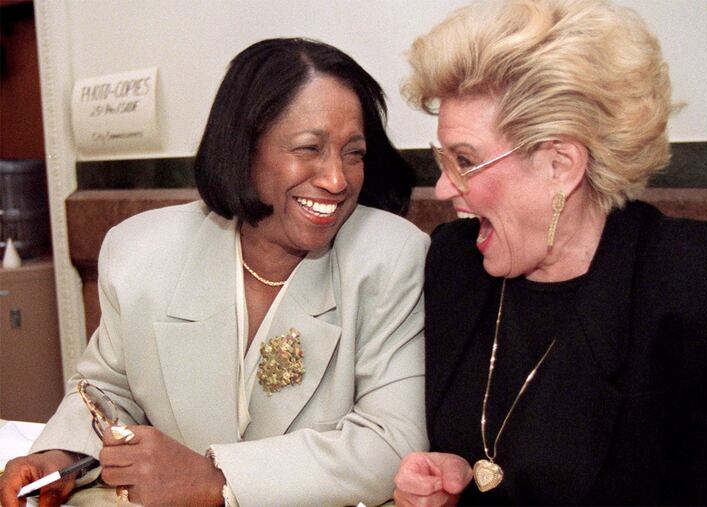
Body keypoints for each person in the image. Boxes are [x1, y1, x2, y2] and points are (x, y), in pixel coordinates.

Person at [0, 38, 429, 507]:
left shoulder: (390, 256)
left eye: (354, 153)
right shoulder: (141, 252)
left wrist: (217, 478)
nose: (336, 179)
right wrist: (61, 458)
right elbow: (107, 391)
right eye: (309, 148)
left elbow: (394, 441)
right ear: (243, 148)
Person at [393, 0, 707, 505]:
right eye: (443, 160)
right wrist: (454, 477)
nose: (442, 189)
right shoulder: (452, 263)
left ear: (560, 164)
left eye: (464, 161)